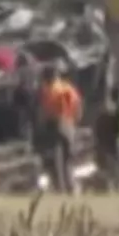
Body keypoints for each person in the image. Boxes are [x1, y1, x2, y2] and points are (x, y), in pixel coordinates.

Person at [36, 64, 82, 192]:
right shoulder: (68, 88)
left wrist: (41, 126)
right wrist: (75, 122)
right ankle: (71, 187)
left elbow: (43, 112)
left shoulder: (47, 90)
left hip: (54, 124)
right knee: (68, 159)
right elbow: (78, 106)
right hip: (69, 124)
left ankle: (60, 188)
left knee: (56, 162)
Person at [93, 87, 119, 191]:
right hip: (113, 143)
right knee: (114, 168)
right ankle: (115, 186)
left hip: (103, 143)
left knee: (105, 167)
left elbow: (96, 129)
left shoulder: (102, 112)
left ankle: (106, 187)